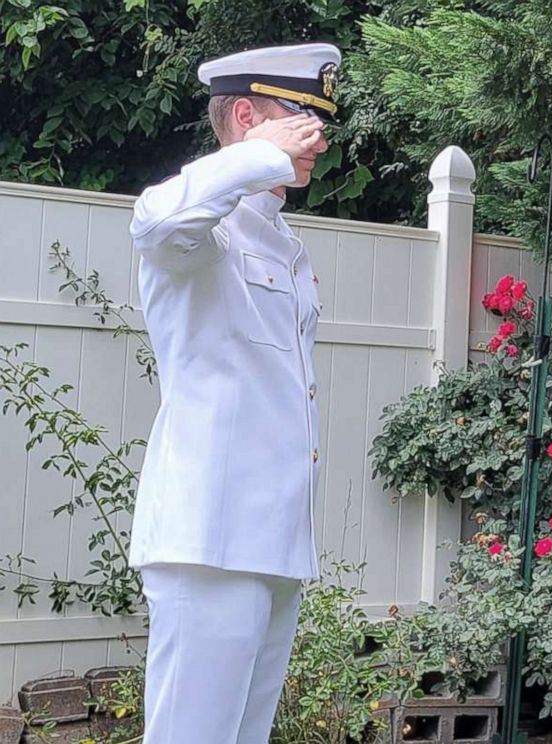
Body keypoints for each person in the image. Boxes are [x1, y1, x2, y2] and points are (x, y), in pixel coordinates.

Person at [127, 42, 340, 744]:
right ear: (247, 115)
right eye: (302, 119)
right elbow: (155, 218)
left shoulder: (279, 240)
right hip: (210, 539)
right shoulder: (203, 230)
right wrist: (259, 153)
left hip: (272, 541)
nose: (319, 138)